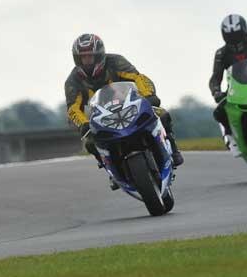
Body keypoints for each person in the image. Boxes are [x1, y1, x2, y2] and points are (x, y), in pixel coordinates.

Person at [64, 34, 184, 177]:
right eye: (83, 57)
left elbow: (138, 77)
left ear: (99, 55)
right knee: (90, 143)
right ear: (77, 59)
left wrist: (148, 95)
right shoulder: (73, 81)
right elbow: (73, 108)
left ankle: (174, 150)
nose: (87, 61)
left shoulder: (115, 61)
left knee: (162, 114)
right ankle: (111, 170)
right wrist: (84, 124)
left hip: (129, 106)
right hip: (101, 117)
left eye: (90, 56)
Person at [209, 14, 247, 155]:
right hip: (235, 91)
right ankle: (230, 138)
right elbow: (215, 78)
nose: (235, 41)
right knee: (218, 112)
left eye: (238, 36)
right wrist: (216, 92)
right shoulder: (221, 54)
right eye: (231, 37)